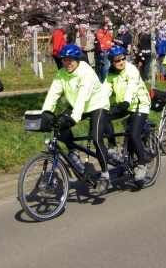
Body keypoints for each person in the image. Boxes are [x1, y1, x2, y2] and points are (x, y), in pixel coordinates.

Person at [41, 44, 112, 195]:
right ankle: (73, 152)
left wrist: (74, 118)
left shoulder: (86, 72)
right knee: (60, 122)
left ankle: (105, 175)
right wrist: (45, 113)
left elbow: (82, 97)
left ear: (77, 60)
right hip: (77, 104)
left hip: (96, 104)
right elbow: (53, 94)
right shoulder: (61, 74)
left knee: (96, 138)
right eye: (64, 60)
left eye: (70, 60)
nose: (67, 63)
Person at [103, 46, 151, 182]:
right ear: (112, 62)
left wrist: (126, 101)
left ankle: (142, 165)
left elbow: (132, 88)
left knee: (134, 135)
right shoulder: (110, 73)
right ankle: (112, 146)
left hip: (139, 105)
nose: (121, 62)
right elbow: (104, 90)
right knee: (104, 116)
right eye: (117, 60)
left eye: (123, 58)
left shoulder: (132, 70)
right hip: (124, 104)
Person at [95, 16, 114, 82]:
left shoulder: (109, 28)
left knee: (106, 65)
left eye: (109, 20)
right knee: (105, 66)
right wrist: (102, 49)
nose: (108, 21)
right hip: (104, 49)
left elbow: (111, 38)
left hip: (109, 48)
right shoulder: (101, 28)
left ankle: (100, 80)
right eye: (106, 20)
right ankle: (104, 81)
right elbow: (99, 39)